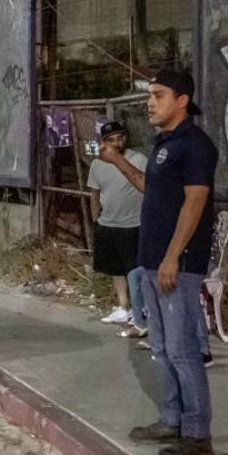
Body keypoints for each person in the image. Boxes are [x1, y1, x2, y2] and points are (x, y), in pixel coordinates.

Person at [99, 69, 218, 455]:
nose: (151, 102)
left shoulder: (195, 145)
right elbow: (151, 189)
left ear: (182, 100)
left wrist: (172, 256)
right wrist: (116, 161)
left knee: (184, 350)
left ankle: (198, 433)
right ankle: (172, 420)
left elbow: (195, 201)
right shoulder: (164, 144)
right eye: (150, 95)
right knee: (164, 348)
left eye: (159, 95)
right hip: (152, 262)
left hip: (177, 264)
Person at [87, 121, 147, 327]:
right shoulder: (97, 164)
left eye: (120, 137)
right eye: (110, 139)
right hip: (108, 224)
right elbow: (94, 195)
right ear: (103, 142)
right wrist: (96, 221)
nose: (116, 142)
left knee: (134, 269)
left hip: (133, 224)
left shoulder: (138, 160)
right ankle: (123, 307)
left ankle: (140, 311)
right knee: (116, 269)